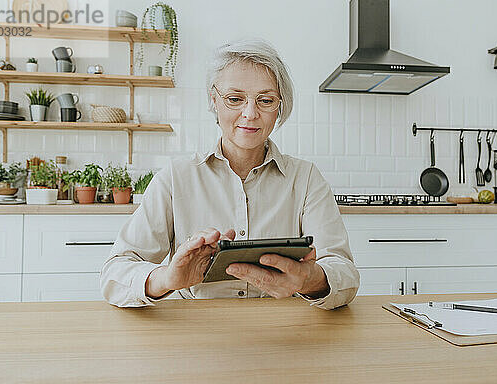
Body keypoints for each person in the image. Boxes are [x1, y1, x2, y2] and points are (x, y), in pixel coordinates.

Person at [100, 39, 360, 310]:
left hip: (283, 333)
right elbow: (114, 275)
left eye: (266, 100)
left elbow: (346, 274)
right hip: (197, 334)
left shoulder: (305, 178)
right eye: (235, 99)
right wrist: (166, 278)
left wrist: (310, 280)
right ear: (214, 101)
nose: (250, 114)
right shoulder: (175, 178)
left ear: (279, 106)